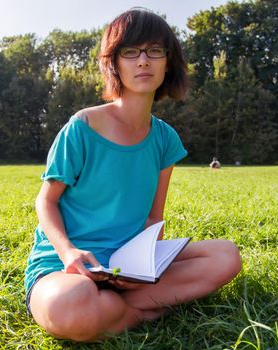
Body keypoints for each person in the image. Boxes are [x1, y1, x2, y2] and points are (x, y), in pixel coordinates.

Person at [24, 8, 241, 342]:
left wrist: (142, 268)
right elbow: (46, 202)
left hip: (127, 265)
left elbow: (154, 219)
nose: (143, 61)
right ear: (115, 62)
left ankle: (118, 307)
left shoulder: (165, 139)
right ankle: (144, 310)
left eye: (155, 51)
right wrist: (69, 252)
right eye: (131, 51)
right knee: (69, 304)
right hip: (68, 268)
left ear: (168, 62)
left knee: (225, 256)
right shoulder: (82, 127)